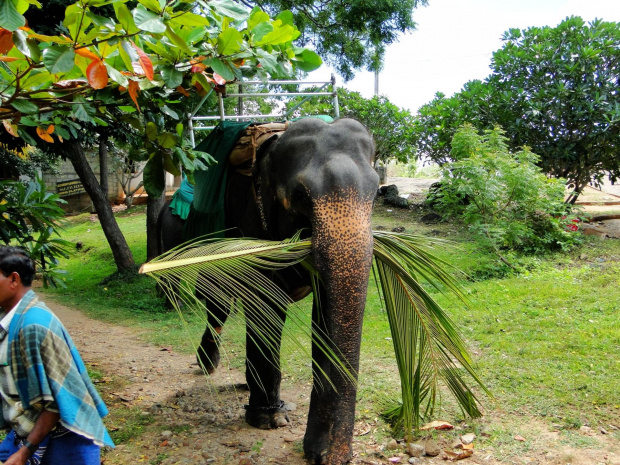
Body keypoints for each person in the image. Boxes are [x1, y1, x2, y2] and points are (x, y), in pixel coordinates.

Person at [0, 246, 114, 464]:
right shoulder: (9, 318)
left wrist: (25, 451)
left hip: (63, 442)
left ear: (14, 280)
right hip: (27, 432)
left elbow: (57, 403)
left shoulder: (33, 327)